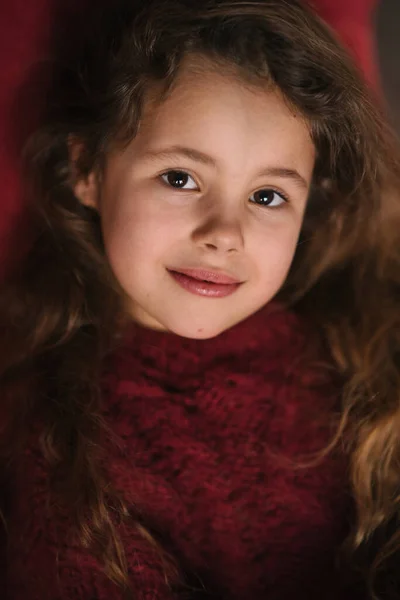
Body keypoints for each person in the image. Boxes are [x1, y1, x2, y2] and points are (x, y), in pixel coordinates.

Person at [1, 0, 399, 598]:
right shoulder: (66, 439)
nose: (225, 233)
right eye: (181, 178)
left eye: (267, 196)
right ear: (87, 170)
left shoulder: (358, 348)